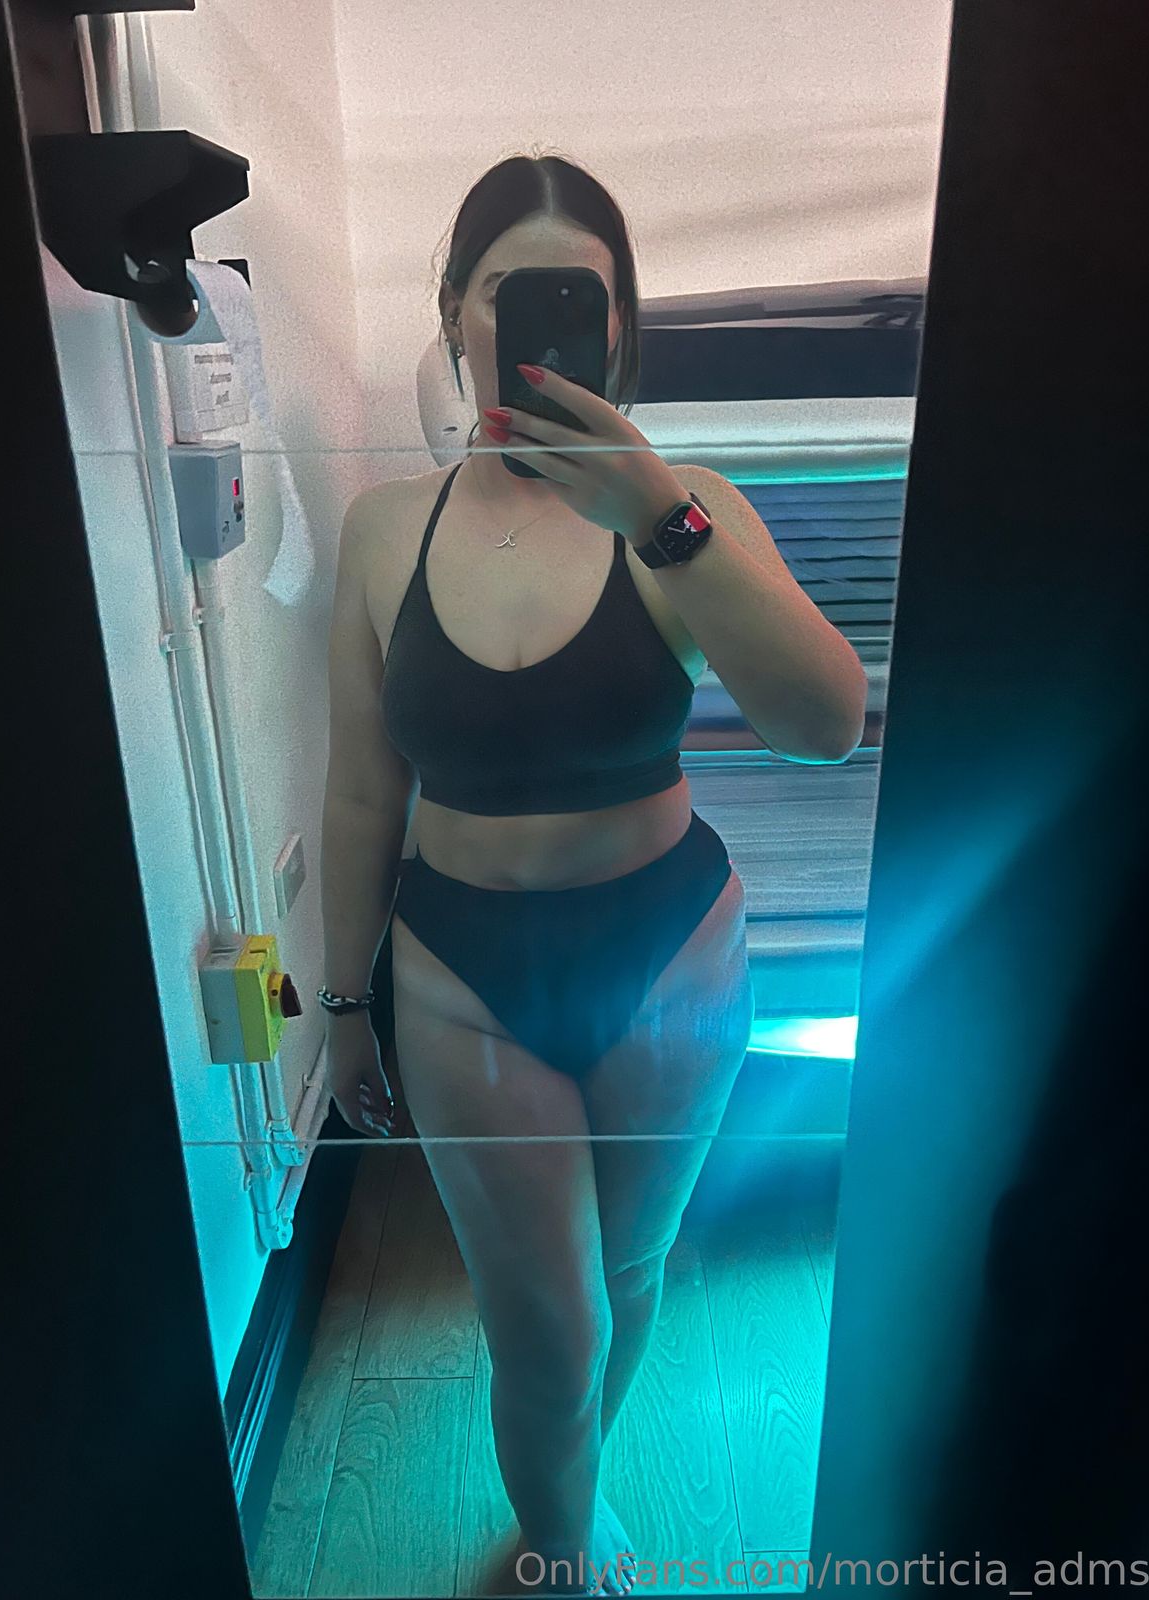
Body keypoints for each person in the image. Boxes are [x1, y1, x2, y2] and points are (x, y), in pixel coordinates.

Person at [320, 152, 867, 1596]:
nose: (545, 324)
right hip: (461, 973)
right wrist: (340, 1004)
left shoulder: (688, 508)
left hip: (669, 948)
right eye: (510, 291)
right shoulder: (384, 529)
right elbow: (364, 783)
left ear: (620, 325)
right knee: (545, 1330)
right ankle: (560, 1548)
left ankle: (580, 1497)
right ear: (456, 312)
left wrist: (662, 523)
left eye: (584, 298)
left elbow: (825, 724)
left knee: (629, 1275)